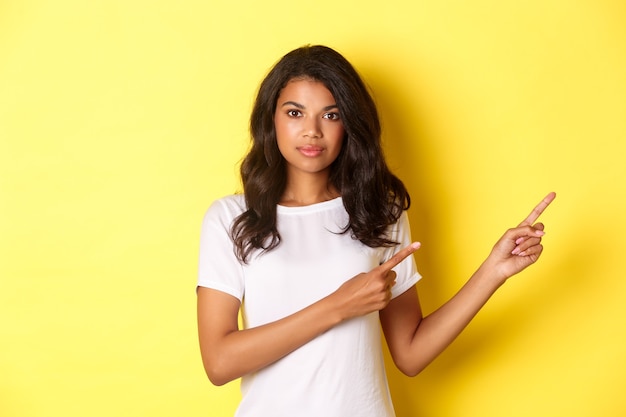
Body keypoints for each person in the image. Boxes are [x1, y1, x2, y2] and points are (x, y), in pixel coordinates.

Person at [196, 45, 555, 417]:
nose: (311, 131)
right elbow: (219, 363)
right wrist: (338, 306)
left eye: (330, 115)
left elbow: (411, 354)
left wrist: (493, 271)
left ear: (349, 124)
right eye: (294, 112)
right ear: (271, 119)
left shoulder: (377, 211)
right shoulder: (231, 218)